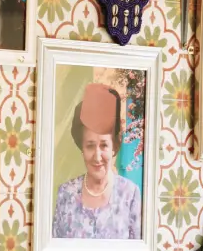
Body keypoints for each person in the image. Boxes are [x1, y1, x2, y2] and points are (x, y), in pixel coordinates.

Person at [52, 82, 142, 240]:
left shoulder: (130, 194)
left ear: (114, 146)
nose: (97, 156)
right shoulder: (66, 193)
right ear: (82, 147)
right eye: (90, 146)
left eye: (104, 145)